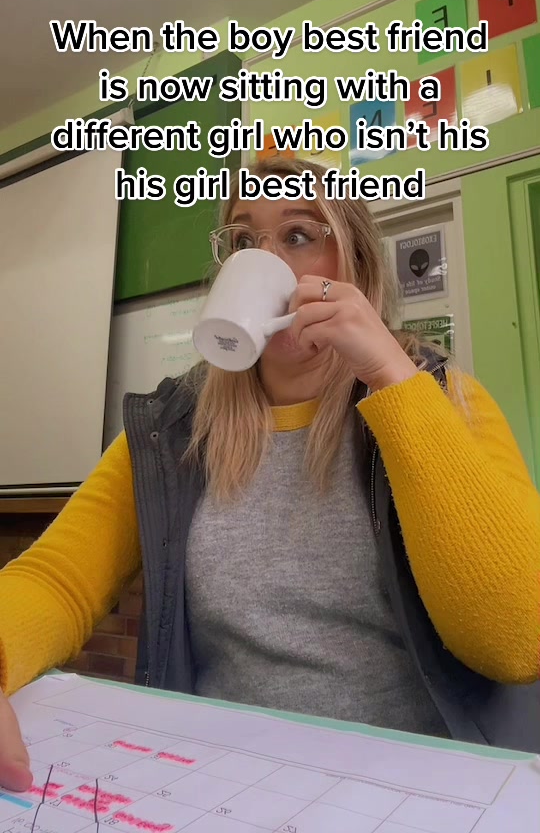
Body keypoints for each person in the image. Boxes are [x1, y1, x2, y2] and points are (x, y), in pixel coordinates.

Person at [1, 157, 539, 793]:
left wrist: (392, 377)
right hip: (222, 785)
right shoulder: (175, 427)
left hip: (410, 792)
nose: (265, 260)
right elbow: (58, 580)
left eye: (299, 234)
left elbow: (516, 641)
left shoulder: (443, 401)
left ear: (357, 263)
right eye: (243, 241)